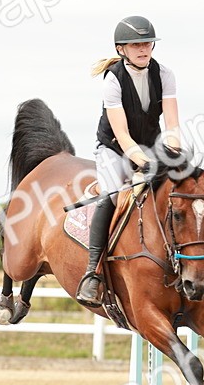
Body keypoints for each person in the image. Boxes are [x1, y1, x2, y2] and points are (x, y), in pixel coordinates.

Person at [75, 15, 179, 306]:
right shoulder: (113, 80)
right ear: (122, 49)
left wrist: (173, 151)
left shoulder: (165, 75)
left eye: (147, 43)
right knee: (112, 196)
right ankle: (92, 272)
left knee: (182, 188)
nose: (144, 49)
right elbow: (121, 134)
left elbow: (172, 126)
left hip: (151, 145)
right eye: (136, 45)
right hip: (114, 149)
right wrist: (142, 162)